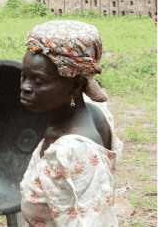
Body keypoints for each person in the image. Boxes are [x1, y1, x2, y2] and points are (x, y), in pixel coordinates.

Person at [19, 20, 123, 226]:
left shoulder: (74, 150)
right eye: (23, 76)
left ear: (75, 85)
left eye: (39, 81)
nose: (25, 87)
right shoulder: (94, 112)